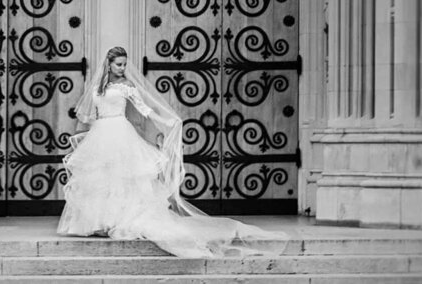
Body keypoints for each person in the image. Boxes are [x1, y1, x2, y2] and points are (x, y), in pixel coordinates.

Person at [57, 46, 288, 259]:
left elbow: (144, 109)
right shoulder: (97, 87)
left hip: (120, 130)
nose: (122, 68)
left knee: (124, 179)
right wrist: (88, 136)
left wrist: (167, 120)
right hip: (101, 134)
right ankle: (98, 223)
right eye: (118, 64)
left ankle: (118, 222)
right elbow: (90, 115)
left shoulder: (127, 86)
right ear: (108, 64)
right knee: (100, 179)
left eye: (124, 64)